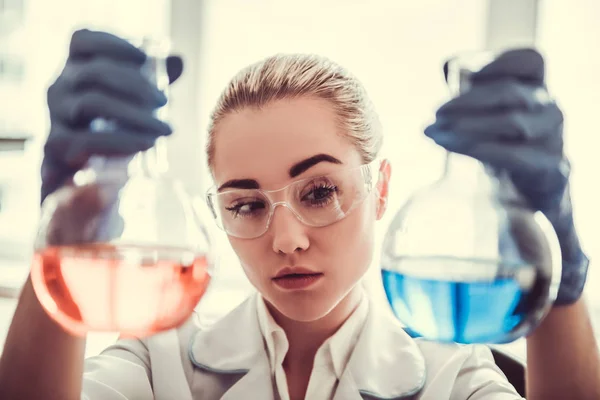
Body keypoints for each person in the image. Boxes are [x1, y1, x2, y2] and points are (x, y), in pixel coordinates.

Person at [0, 29, 598, 400]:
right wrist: (68, 227)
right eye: (246, 204)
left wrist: (558, 275)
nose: (286, 241)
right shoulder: (159, 365)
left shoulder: (454, 378)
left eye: (318, 192)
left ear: (381, 188)